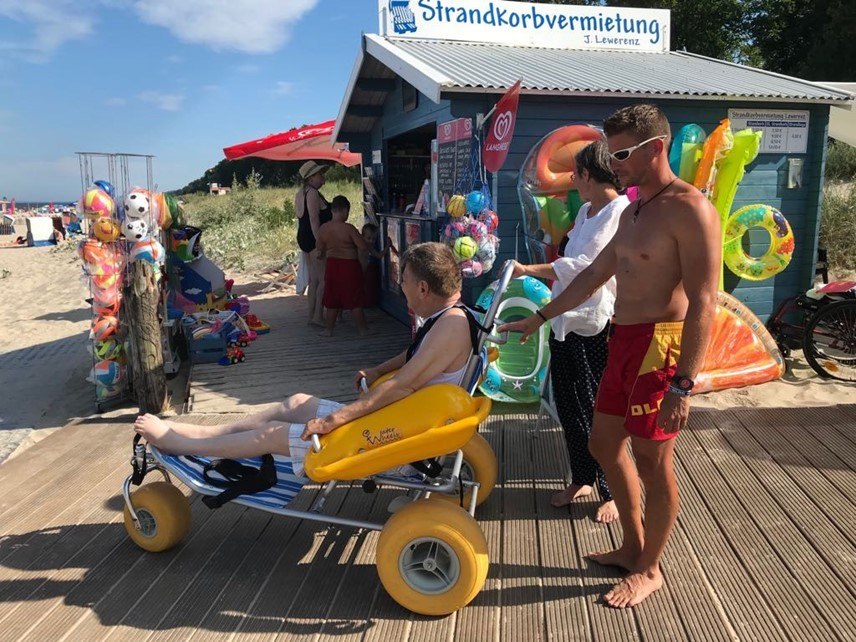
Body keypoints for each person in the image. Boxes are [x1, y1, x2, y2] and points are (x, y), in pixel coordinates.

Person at [498, 104, 721, 608]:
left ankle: (650, 568)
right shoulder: (636, 208)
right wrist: (539, 317)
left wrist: (684, 383)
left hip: (660, 346)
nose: (610, 162)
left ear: (655, 149)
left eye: (619, 153)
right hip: (623, 338)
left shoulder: (690, 209)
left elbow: (705, 299)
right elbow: (595, 274)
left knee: (653, 459)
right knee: (603, 444)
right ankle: (632, 546)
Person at [134, 242, 475, 480]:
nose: (401, 287)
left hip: (394, 440)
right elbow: (417, 358)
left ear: (424, 289)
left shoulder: (450, 327)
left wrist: (332, 421)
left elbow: (403, 386)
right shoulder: (451, 316)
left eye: (404, 281)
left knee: (269, 435)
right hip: (400, 421)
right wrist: (378, 369)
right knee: (297, 403)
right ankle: (200, 434)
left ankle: (181, 444)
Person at [510, 139, 627, 522]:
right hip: (565, 323)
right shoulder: (588, 211)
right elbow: (568, 262)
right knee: (570, 407)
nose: (572, 180)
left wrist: (529, 271)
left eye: (576, 174)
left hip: (593, 326)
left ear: (589, 176)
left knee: (599, 412)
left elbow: (583, 270)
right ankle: (582, 477)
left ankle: (612, 489)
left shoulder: (618, 213)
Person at [316, 196, 384, 337]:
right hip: (349, 266)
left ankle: (328, 329)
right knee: (355, 300)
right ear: (345, 210)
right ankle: (363, 330)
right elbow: (363, 246)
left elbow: (319, 250)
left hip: (332, 266)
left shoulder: (323, 229)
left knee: (332, 299)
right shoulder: (349, 228)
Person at [294, 161, 332, 327]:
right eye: (319, 174)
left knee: (314, 280)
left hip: (303, 237)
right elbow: (314, 219)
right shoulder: (313, 194)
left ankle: (312, 315)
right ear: (310, 178)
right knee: (323, 278)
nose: (323, 177)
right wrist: (320, 244)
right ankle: (318, 316)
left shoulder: (300, 193)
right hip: (312, 238)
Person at [359, 223, 381, 307]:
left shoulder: (370, 247)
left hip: (364, 270)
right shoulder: (360, 246)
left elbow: (379, 255)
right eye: (368, 238)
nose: (371, 241)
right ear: (362, 236)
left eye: (373, 239)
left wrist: (387, 247)